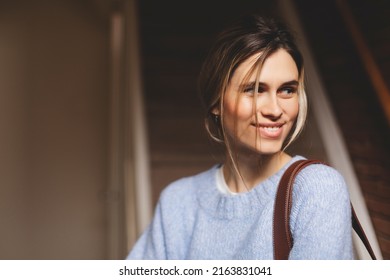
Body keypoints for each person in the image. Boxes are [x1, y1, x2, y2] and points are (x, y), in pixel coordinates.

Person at [127, 14, 353, 260]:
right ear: (216, 101)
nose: (275, 110)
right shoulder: (178, 201)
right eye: (254, 90)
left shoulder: (316, 188)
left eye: (287, 90)